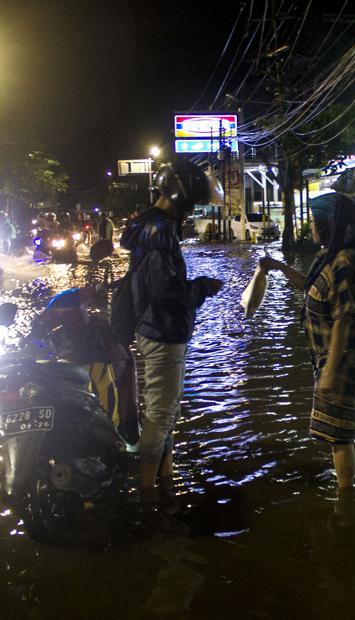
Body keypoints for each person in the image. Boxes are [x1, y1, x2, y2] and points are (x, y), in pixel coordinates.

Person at [258, 191, 355, 491]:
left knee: (340, 436)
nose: (310, 226)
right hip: (328, 359)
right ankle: (345, 493)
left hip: (341, 360)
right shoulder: (328, 257)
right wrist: (279, 268)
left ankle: (346, 503)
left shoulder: (344, 262)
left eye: (314, 221)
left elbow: (344, 319)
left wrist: (330, 371)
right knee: (335, 433)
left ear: (330, 224)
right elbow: (311, 287)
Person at [119, 159, 223, 507]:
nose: (192, 211)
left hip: (152, 329)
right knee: (162, 414)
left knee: (165, 412)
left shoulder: (147, 227)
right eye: (192, 204)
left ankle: (166, 479)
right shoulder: (160, 232)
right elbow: (166, 290)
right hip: (162, 332)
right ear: (182, 199)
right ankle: (147, 494)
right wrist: (201, 289)